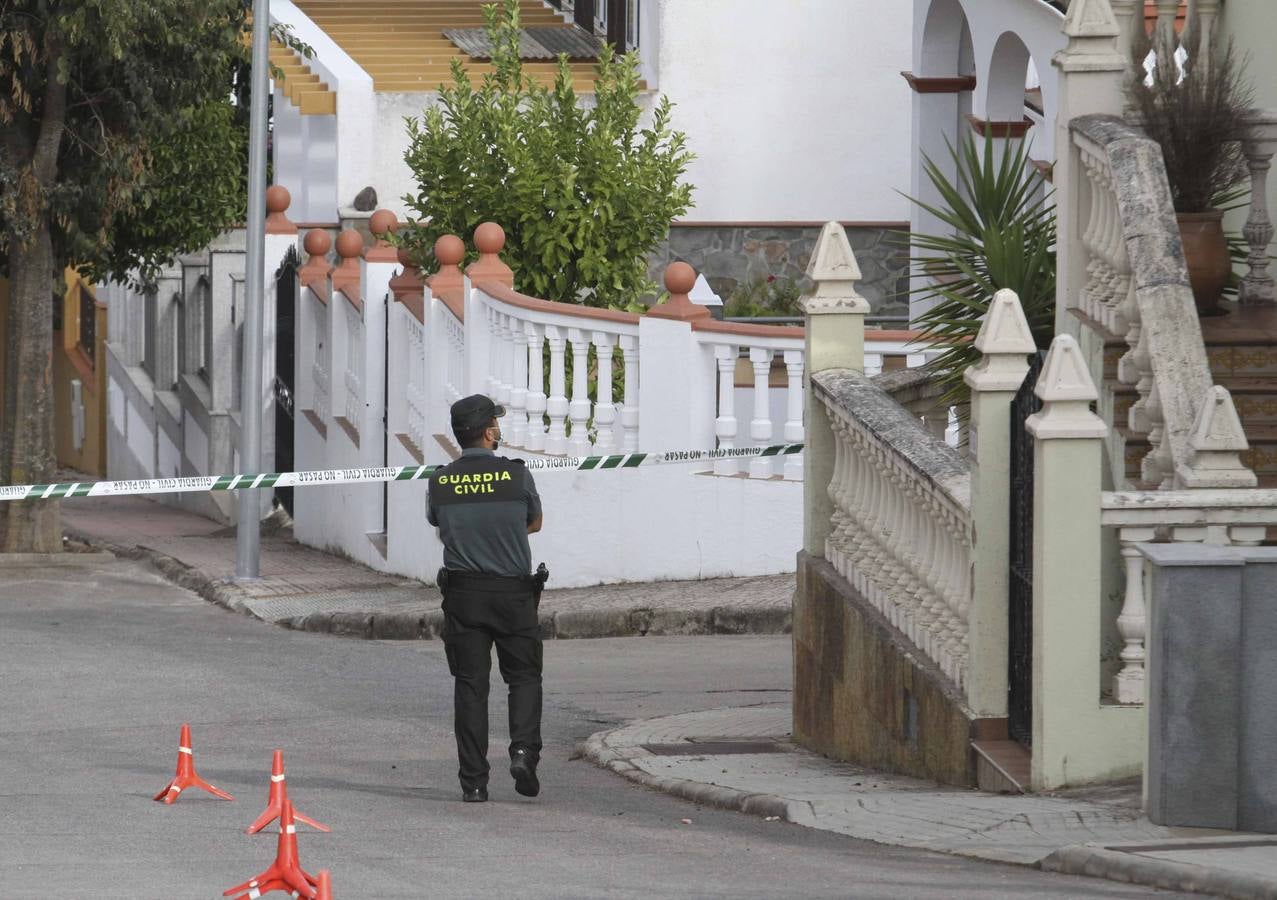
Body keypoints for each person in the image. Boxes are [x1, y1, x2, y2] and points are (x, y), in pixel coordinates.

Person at [428, 394, 547, 803]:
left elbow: (440, 523)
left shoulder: (441, 480)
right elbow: (533, 522)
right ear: (487, 431)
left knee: (470, 687)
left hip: (463, 596)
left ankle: (474, 782)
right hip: (512, 594)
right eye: (495, 422)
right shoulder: (516, 476)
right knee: (524, 677)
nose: (499, 427)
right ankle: (522, 751)